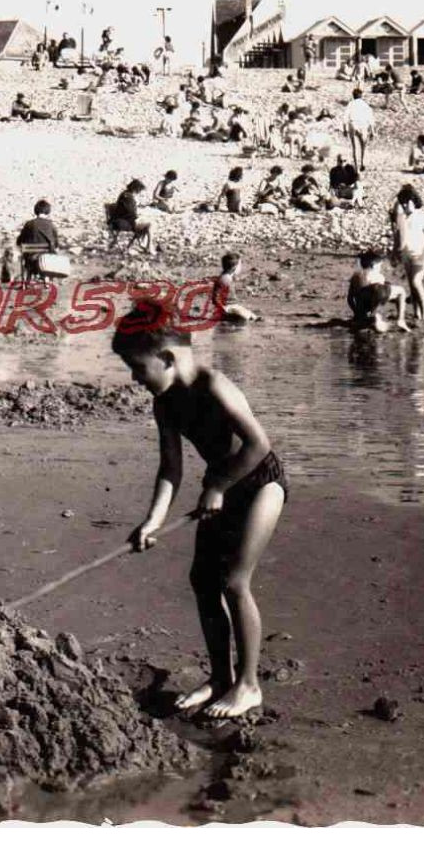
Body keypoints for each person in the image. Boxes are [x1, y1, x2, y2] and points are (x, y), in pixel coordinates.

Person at [116, 299, 285, 720]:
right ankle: (221, 678)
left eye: (138, 368)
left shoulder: (214, 385)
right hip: (221, 489)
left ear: (168, 358)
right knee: (202, 581)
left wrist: (218, 485)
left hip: (262, 484)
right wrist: (152, 521)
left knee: (233, 582)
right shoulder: (165, 403)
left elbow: (259, 445)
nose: (134, 378)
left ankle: (249, 686)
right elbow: (171, 467)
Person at [390, 185, 424, 322]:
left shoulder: (421, 216)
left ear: (414, 202)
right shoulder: (402, 218)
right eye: (403, 203)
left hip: (421, 253)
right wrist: (394, 254)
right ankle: (416, 313)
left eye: (408, 202)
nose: (406, 206)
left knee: (416, 282)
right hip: (407, 254)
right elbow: (398, 237)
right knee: (412, 285)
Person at [346, 250, 409, 332]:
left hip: (362, 304)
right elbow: (380, 295)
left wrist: (356, 312)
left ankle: (367, 318)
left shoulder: (355, 276)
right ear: (374, 266)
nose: (380, 267)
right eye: (380, 265)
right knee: (401, 291)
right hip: (374, 297)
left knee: (375, 295)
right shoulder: (378, 276)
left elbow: (350, 298)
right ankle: (400, 320)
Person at [16, 199, 60, 279]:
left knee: (25, 253)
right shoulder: (51, 225)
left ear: (36, 211)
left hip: (31, 258)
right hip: (47, 259)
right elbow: (56, 243)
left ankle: (28, 278)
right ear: (48, 211)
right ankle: (46, 278)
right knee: (53, 251)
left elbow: (20, 241)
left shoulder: (29, 224)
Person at [212, 253, 259, 324]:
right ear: (235, 267)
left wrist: (249, 274)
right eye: (240, 265)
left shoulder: (228, 276)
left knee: (254, 317)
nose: (241, 267)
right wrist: (223, 310)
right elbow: (215, 298)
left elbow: (237, 279)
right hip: (229, 308)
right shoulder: (224, 279)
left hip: (232, 307)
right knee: (247, 320)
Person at [110, 179, 155, 253]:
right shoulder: (128, 197)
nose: (139, 193)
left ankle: (144, 244)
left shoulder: (125, 194)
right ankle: (148, 246)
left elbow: (128, 211)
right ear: (136, 189)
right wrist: (138, 217)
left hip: (121, 220)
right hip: (124, 222)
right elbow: (131, 212)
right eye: (139, 191)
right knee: (150, 224)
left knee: (146, 223)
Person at [342, 88, 375, 172]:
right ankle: (363, 162)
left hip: (353, 124)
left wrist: (344, 129)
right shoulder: (365, 105)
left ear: (353, 96)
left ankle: (356, 167)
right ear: (361, 95)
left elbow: (345, 117)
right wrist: (372, 131)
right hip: (363, 125)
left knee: (355, 147)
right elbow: (370, 118)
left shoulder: (351, 104)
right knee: (363, 145)